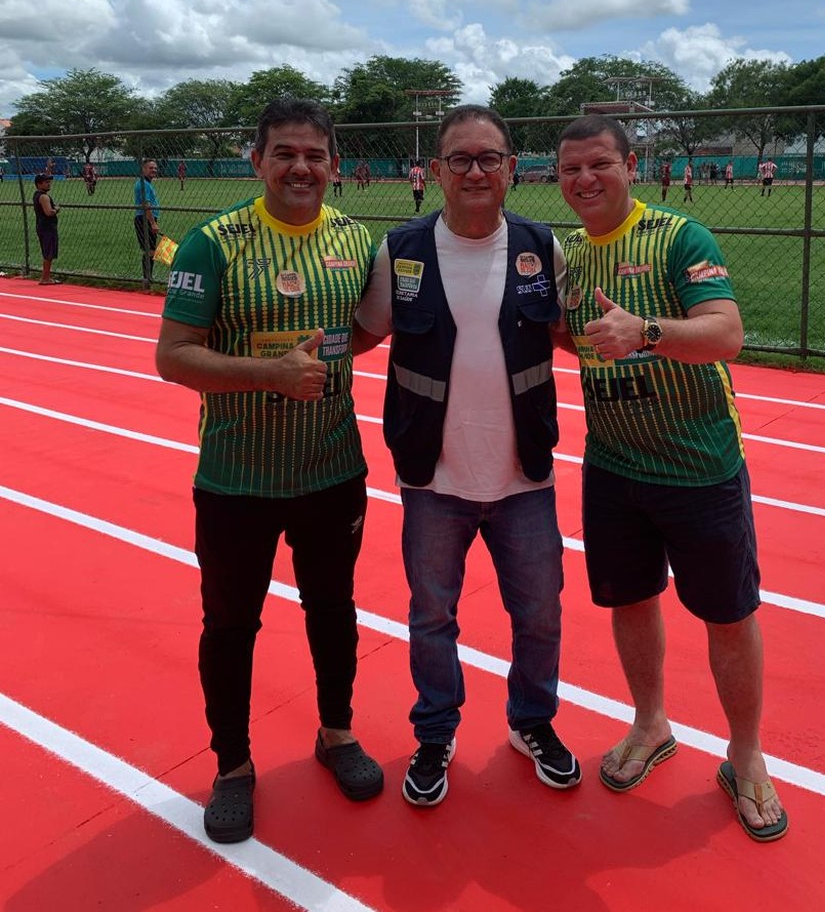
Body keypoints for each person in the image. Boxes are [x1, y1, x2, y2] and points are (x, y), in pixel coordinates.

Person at [155, 98, 383, 845]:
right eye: (284, 152)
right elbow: (174, 355)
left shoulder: (357, 239)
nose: (300, 166)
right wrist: (271, 375)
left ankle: (337, 732)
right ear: (256, 160)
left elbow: (366, 327)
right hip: (236, 477)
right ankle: (231, 765)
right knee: (229, 623)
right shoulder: (212, 244)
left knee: (334, 608)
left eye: (315, 154)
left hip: (332, 468)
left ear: (335, 166)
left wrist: (321, 365)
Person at [554, 114, 788, 843]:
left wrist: (646, 330)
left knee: (727, 613)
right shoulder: (566, 257)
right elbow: (567, 329)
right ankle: (650, 723)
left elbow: (726, 332)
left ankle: (745, 754)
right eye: (570, 171)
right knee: (630, 600)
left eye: (599, 164)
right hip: (613, 464)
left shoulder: (680, 236)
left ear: (631, 164)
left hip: (699, 467)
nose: (586, 180)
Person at [353, 104, 580, 807]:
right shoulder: (402, 248)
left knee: (541, 611)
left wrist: (642, 329)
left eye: (490, 158)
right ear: (437, 171)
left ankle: (532, 721)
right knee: (431, 616)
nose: (476, 171)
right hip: (433, 476)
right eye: (461, 159)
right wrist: (283, 341)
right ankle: (435, 731)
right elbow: (363, 331)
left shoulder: (544, 245)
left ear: (512, 167)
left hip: (524, 473)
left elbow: (576, 333)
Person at [134, 158, 160, 289]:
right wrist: (153, 223)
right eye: (151, 168)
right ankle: (147, 278)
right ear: (143, 169)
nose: (154, 170)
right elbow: (146, 205)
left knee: (151, 250)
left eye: (155, 168)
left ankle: (148, 277)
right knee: (149, 250)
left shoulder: (147, 184)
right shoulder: (143, 184)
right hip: (144, 219)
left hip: (148, 219)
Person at [33, 173, 60, 285]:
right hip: (47, 227)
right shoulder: (43, 197)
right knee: (48, 252)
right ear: (39, 184)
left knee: (48, 251)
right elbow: (48, 212)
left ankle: (46, 276)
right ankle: (45, 278)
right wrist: (56, 209)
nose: (49, 184)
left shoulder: (37, 195)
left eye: (49, 182)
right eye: (46, 182)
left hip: (42, 226)